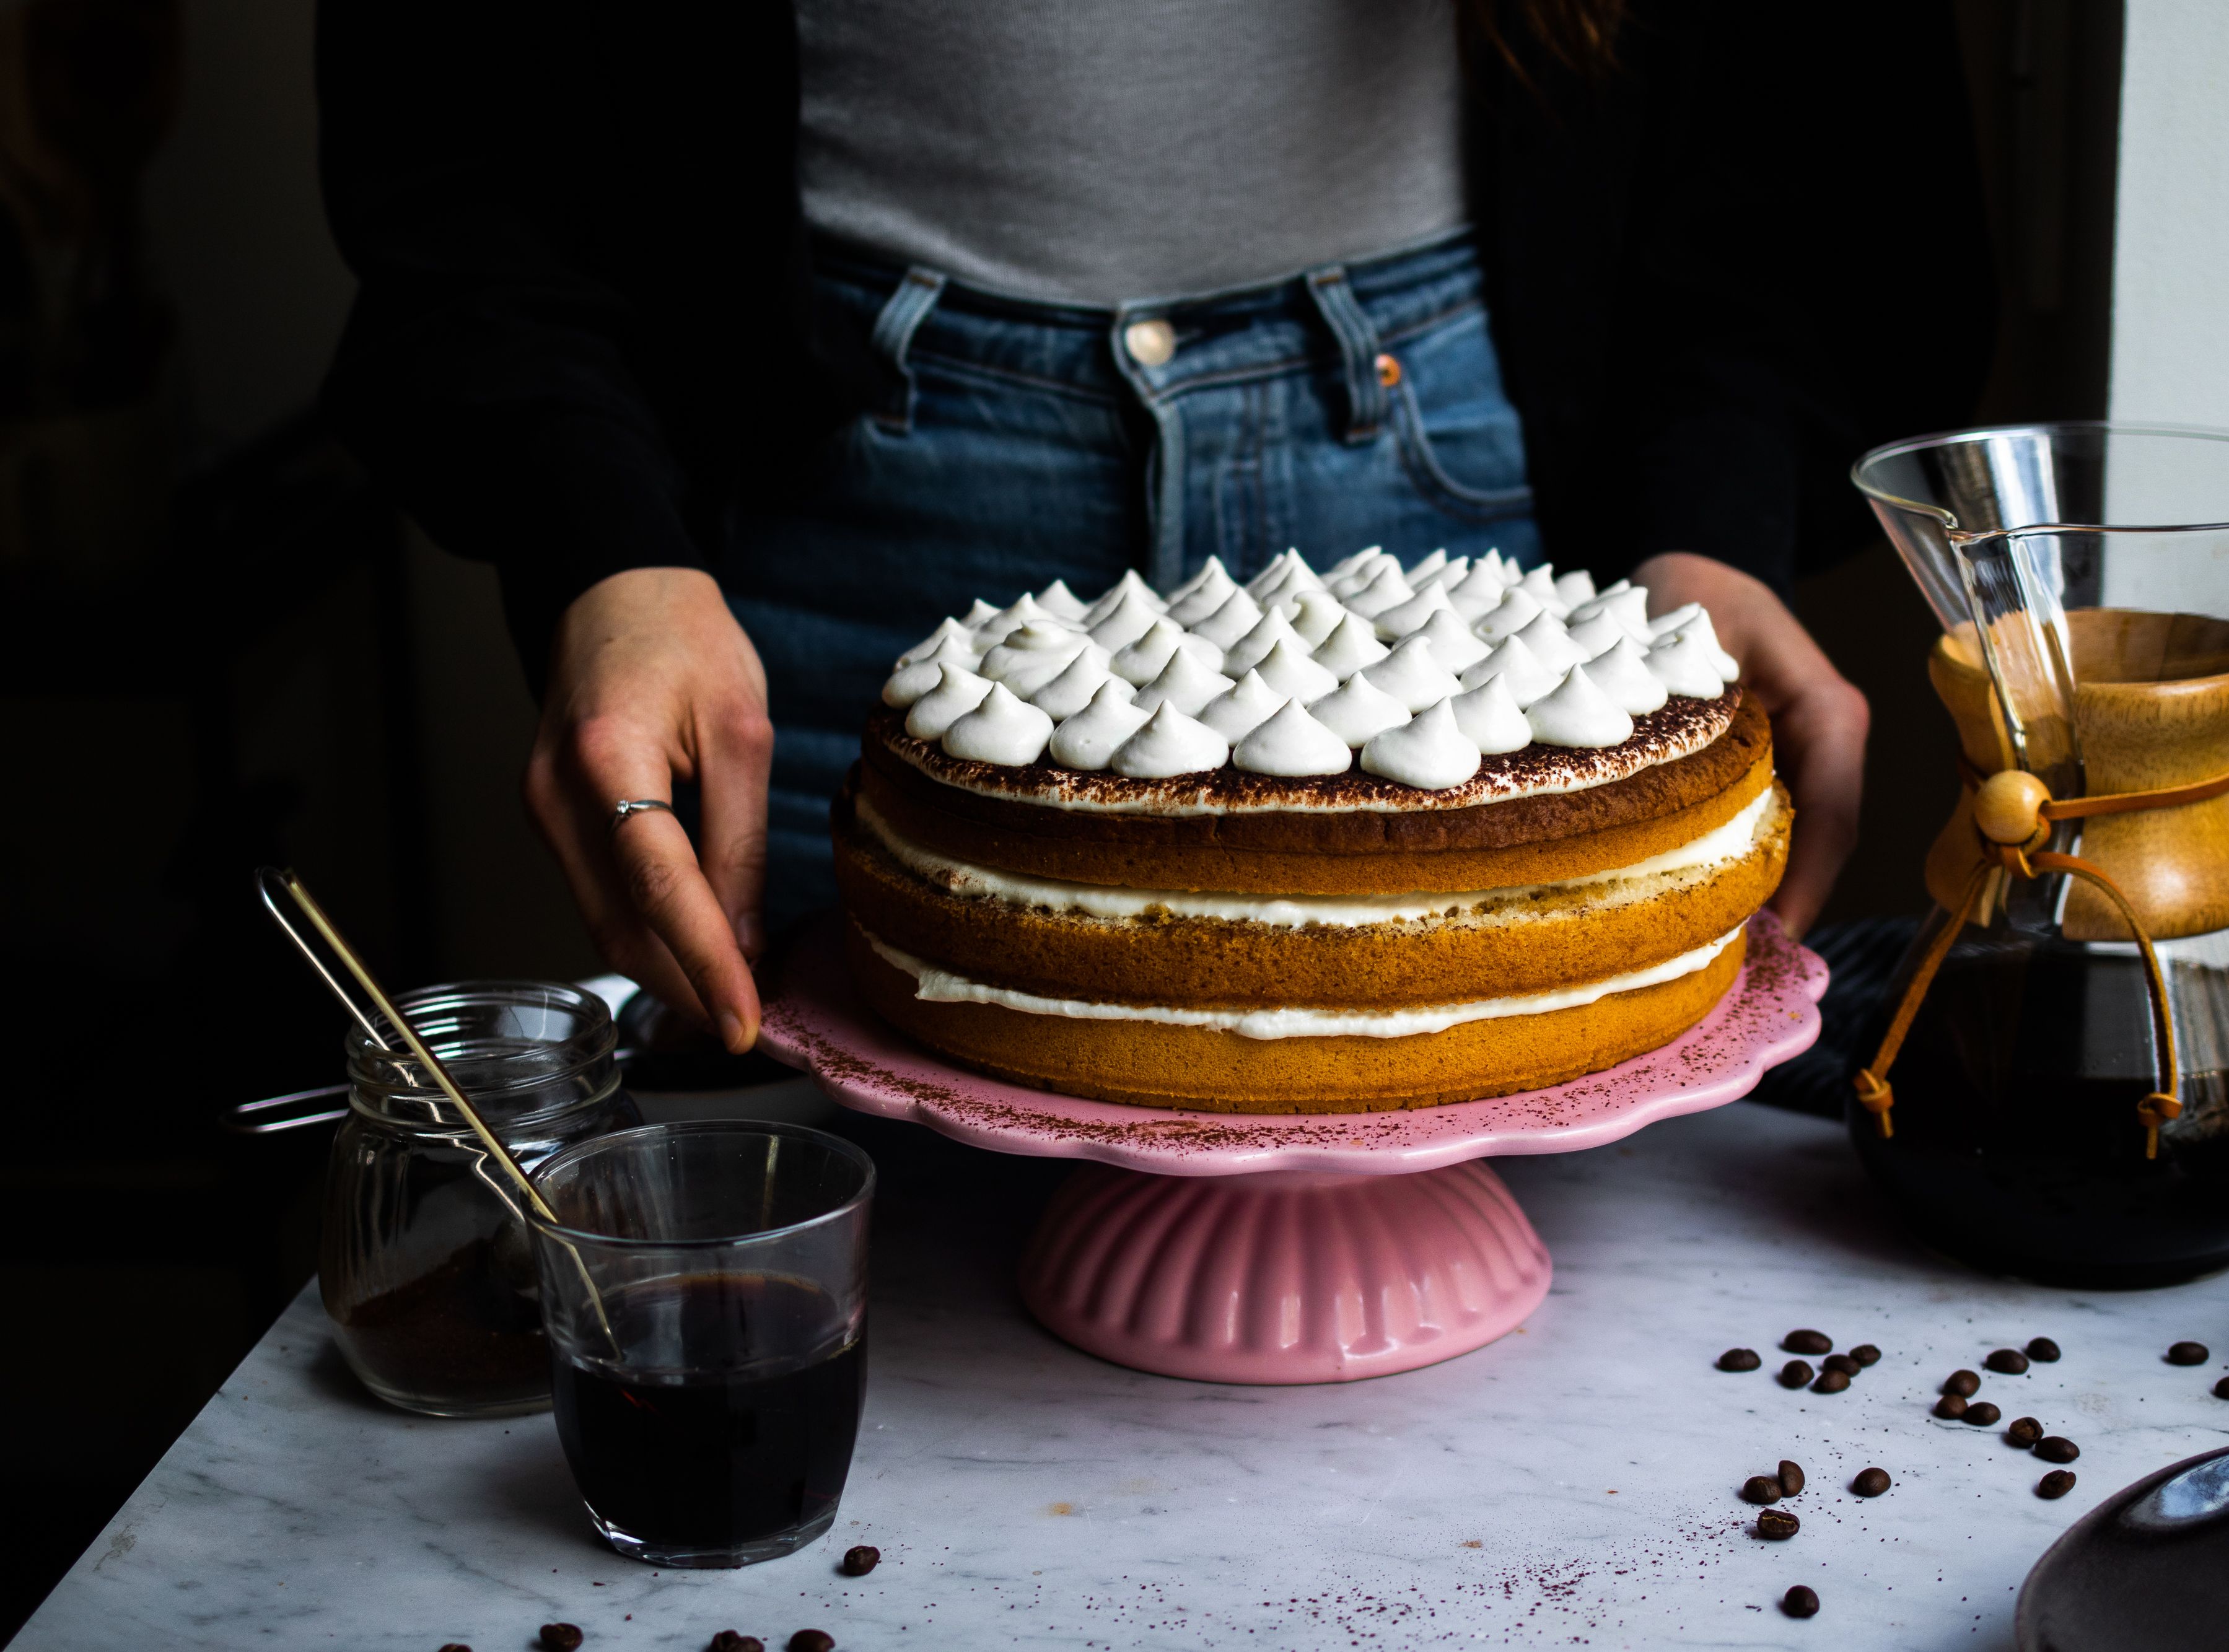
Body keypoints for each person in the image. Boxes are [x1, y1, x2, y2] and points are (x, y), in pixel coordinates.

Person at [319, 1, 1993, 1054]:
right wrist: (597, 531)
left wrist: (1706, 508)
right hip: (825, 528)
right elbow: (463, 106)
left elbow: (1796, 98)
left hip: (1479, 510)